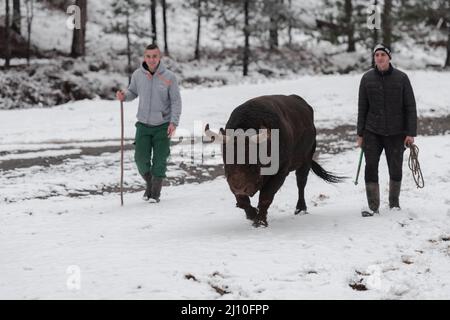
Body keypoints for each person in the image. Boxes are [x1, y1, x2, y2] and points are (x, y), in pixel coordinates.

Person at [357, 44, 417, 217]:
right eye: (377, 55)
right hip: (372, 131)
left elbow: (410, 107)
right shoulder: (366, 79)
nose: (380, 58)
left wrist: (410, 132)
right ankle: (373, 206)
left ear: (389, 57)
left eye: (383, 54)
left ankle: (394, 203)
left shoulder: (402, 78)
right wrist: (360, 134)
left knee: (395, 167)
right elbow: (362, 108)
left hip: (396, 131)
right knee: (371, 167)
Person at [116, 44, 182, 203]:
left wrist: (173, 122)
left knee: (160, 160)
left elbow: (176, 102)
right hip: (143, 125)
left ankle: (155, 194)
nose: (151, 60)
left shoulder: (169, 77)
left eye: (154, 56)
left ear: (159, 57)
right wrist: (124, 96)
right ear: (144, 57)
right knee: (140, 158)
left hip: (163, 125)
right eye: (148, 56)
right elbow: (133, 92)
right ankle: (150, 183)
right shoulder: (138, 75)